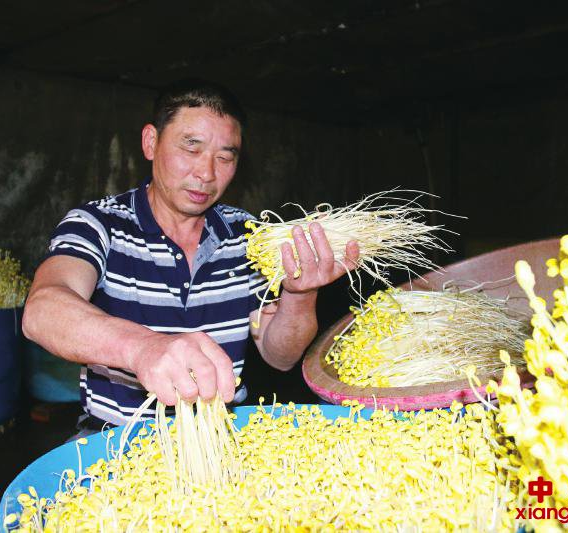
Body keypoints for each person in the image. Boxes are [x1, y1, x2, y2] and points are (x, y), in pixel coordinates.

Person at [22, 80, 359, 433]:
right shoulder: (99, 224)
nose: (207, 173)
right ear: (151, 142)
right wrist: (143, 348)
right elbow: (43, 311)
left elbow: (281, 355)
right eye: (191, 148)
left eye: (224, 157)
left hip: (221, 439)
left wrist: (300, 294)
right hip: (116, 441)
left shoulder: (248, 235)